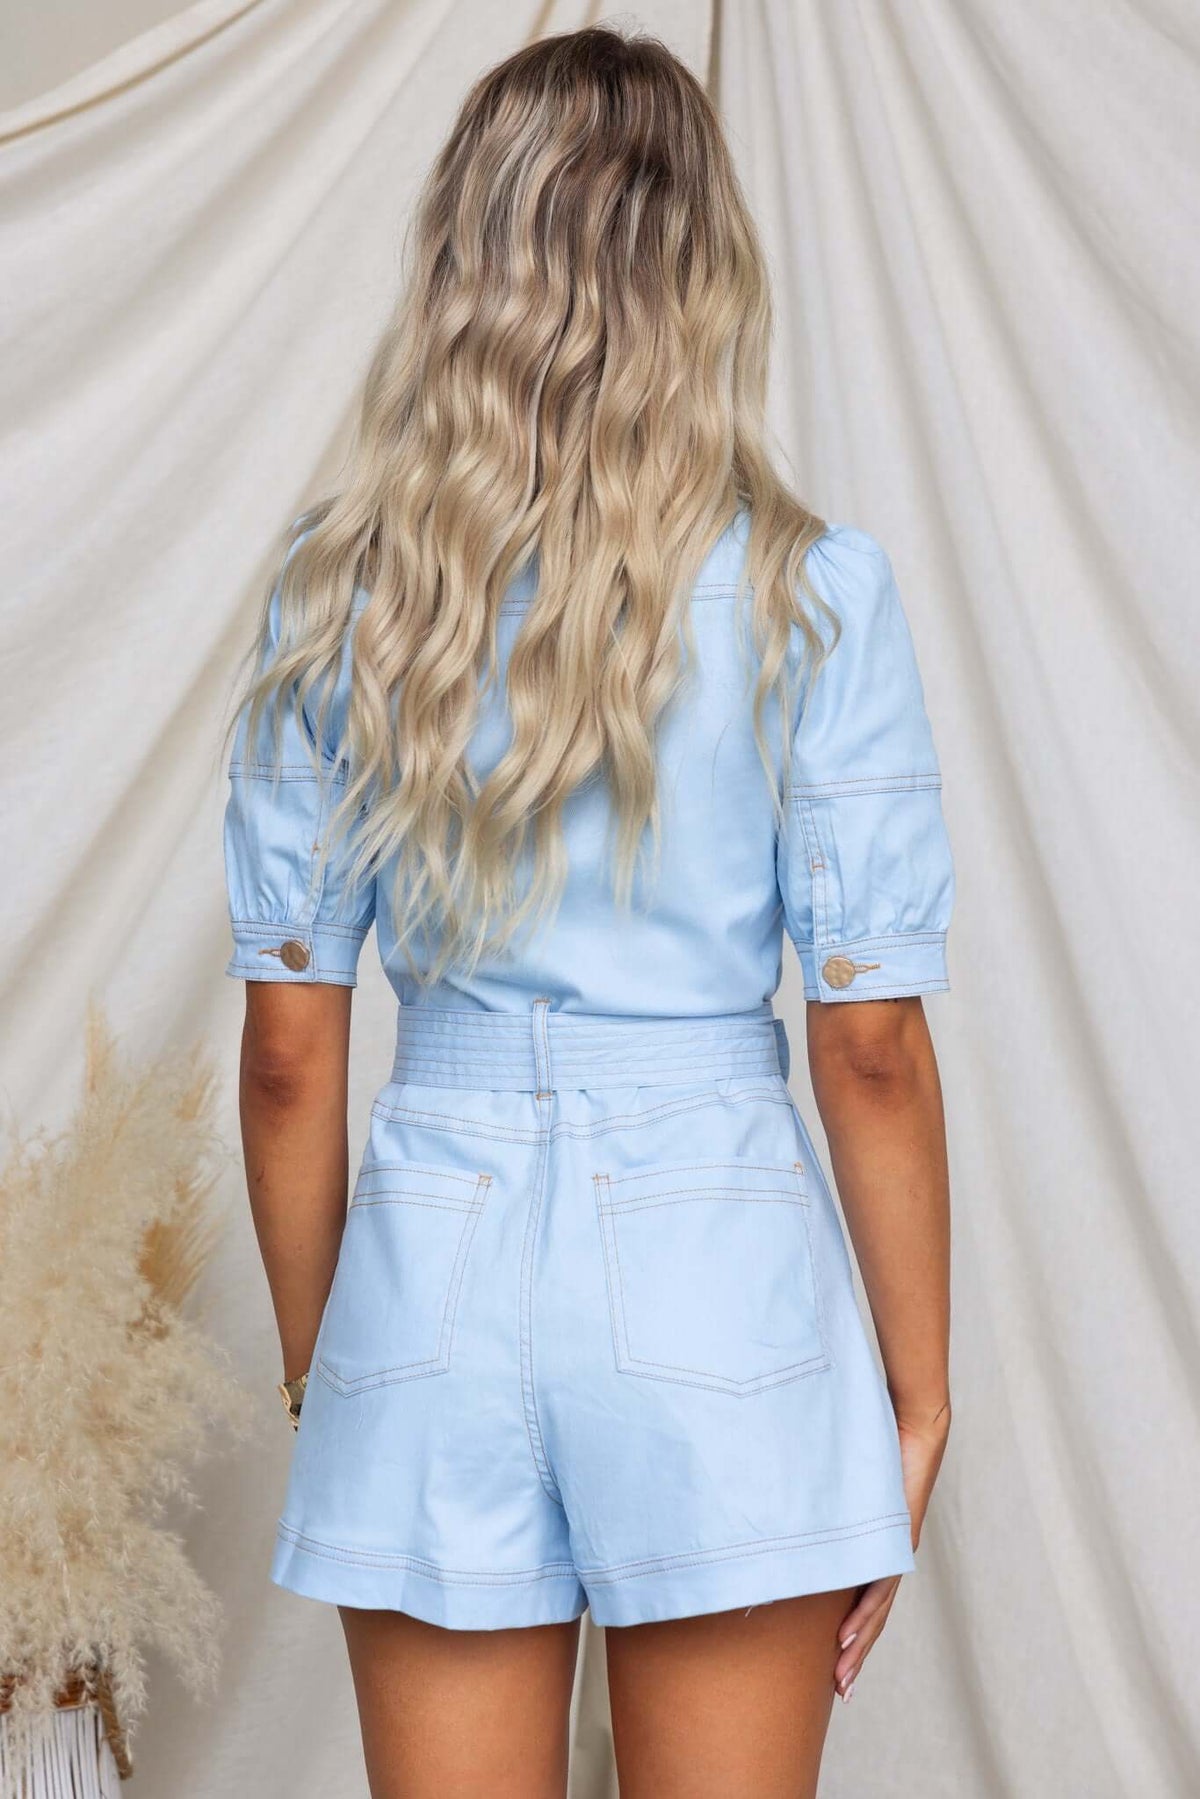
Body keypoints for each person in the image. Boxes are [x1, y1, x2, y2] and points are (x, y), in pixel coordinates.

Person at [222, 25, 954, 1799]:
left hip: (432, 1258)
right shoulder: (812, 594)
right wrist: (919, 1399)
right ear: (704, 269)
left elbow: (289, 1064)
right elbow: (864, 1046)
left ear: (461, 263)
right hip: (717, 1259)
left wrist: (345, 1366)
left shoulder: (340, 600)